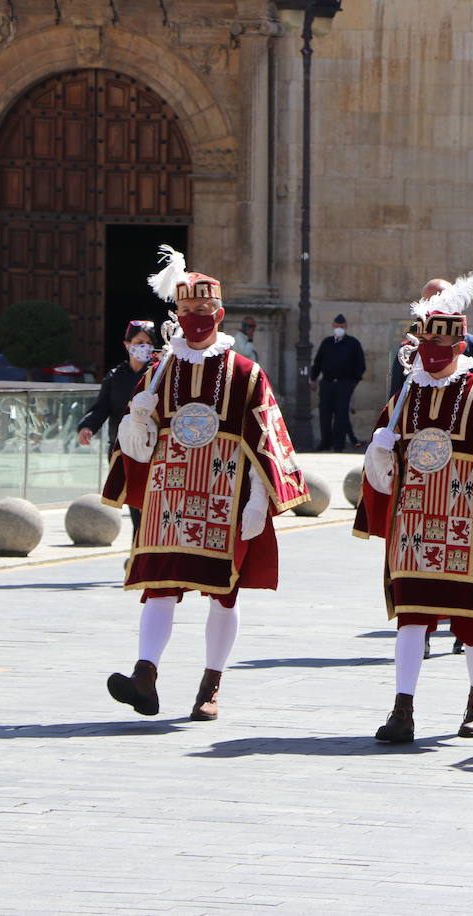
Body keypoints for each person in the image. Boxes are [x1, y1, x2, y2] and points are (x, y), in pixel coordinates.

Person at [102, 246, 308, 721]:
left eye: (203, 311)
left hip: (224, 500)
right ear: (176, 313)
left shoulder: (245, 374)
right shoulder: (160, 370)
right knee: (157, 585)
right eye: (186, 311)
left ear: (220, 313)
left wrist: (259, 503)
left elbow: (267, 443)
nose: (195, 319)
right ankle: (145, 677)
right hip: (168, 497)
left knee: (223, 591)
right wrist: (135, 418)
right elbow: (135, 449)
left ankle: (211, 683)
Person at [356, 272, 473, 742]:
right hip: (414, 527)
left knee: (472, 619)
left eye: (442, 351)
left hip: (468, 529)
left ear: (461, 348)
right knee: (411, 617)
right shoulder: (406, 397)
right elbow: (385, 476)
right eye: (425, 348)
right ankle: (403, 708)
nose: (432, 359)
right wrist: (378, 453)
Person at [79, 319, 157, 540]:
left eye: (148, 342)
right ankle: (136, 552)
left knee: (151, 504)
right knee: (133, 503)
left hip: (151, 450)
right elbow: (101, 409)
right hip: (122, 450)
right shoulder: (115, 377)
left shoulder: (157, 376)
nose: (144, 347)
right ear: (127, 344)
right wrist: (87, 427)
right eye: (139, 341)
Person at [388, 279, 473, 393]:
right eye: (428, 302)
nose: (433, 309)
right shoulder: (408, 351)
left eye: (441, 301)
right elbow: (396, 398)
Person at [309, 314, 366, 452]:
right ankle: (325, 442)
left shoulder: (353, 343)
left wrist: (353, 383)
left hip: (344, 384)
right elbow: (317, 362)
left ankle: (338, 444)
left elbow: (360, 366)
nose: (338, 329)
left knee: (341, 416)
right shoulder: (327, 342)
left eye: (341, 326)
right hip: (327, 383)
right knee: (325, 414)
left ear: (346, 327)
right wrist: (313, 378)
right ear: (332, 327)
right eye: (336, 326)